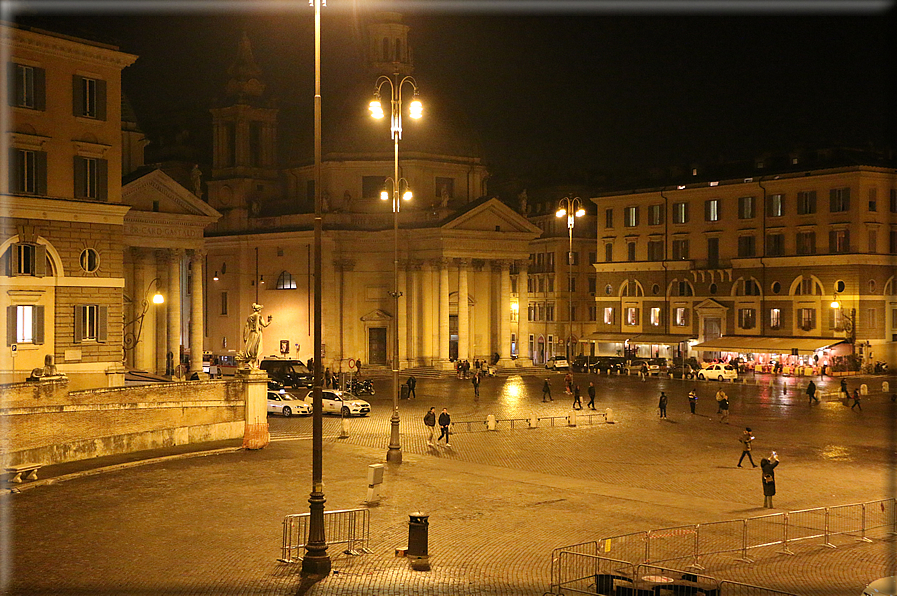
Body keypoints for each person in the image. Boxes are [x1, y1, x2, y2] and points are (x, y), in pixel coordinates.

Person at [242, 303, 271, 369]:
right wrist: (269, 321)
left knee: (252, 348)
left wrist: (245, 336)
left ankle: (253, 364)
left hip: (251, 334)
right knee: (257, 349)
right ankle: (251, 363)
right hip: (257, 333)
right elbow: (264, 325)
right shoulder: (259, 316)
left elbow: (246, 327)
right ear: (259, 310)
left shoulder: (250, 317)